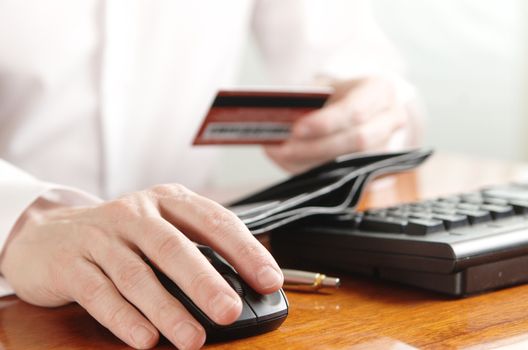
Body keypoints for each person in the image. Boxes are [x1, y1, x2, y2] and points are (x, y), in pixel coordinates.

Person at [0, 1, 420, 349]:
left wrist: (366, 119)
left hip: (199, 258)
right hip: (21, 283)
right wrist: (23, 217)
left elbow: (365, 72)